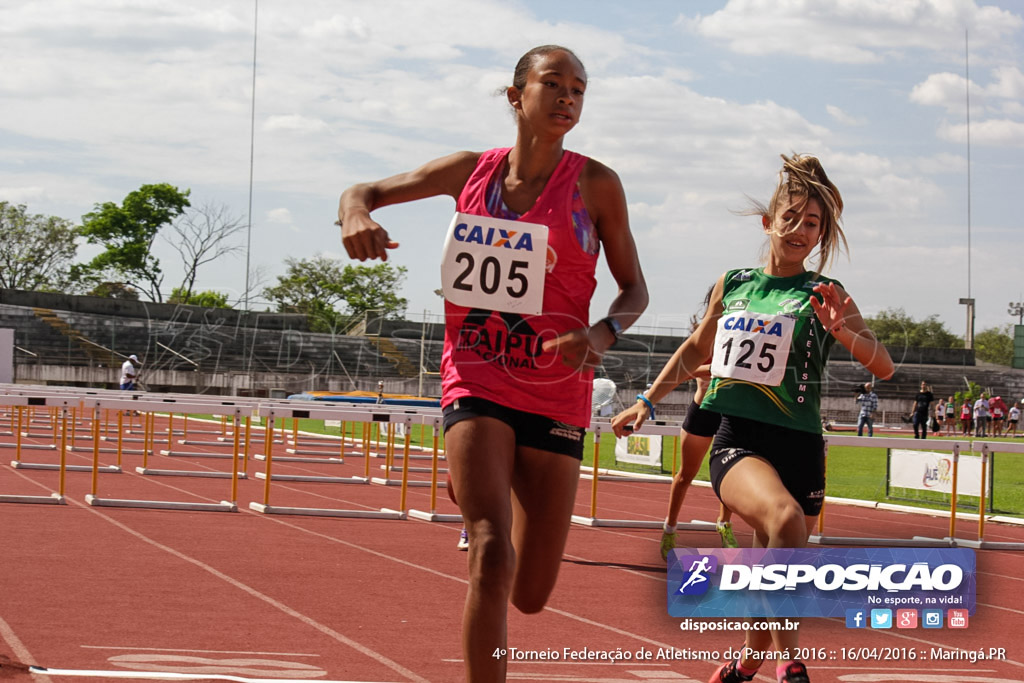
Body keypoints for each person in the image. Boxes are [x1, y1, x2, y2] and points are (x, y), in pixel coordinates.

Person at [338, 45, 648, 683]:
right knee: (488, 549)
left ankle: (494, 471)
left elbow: (634, 290)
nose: (568, 97)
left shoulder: (596, 185)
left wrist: (603, 332)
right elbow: (362, 189)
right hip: (476, 375)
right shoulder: (466, 171)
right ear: (516, 96)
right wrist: (355, 214)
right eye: (553, 84)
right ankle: (482, 467)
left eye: (579, 90)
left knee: (531, 593)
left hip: (558, 389)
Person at [611, 153, 894, 683]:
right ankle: (794, 664)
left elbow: (884, 363)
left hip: (802, 448)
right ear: (768, 222)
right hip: (739, 440)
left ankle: (745, 665)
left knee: (779, 560)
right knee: (784, 524)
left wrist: (842, 332)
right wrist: (646, 401)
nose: (799, 230)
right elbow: (696, 349)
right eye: (790, 218)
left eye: (812, 224)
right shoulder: (735, 282)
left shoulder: (824, 294)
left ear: (820, 237)